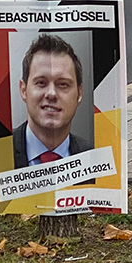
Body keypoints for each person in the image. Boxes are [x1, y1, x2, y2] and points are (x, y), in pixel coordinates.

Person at [11, 34, 91, 168]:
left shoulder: (95, 157)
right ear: (24, 90)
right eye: (41, 83)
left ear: (79, 93)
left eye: (63, 84)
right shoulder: (0, 152)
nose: (51, 94)